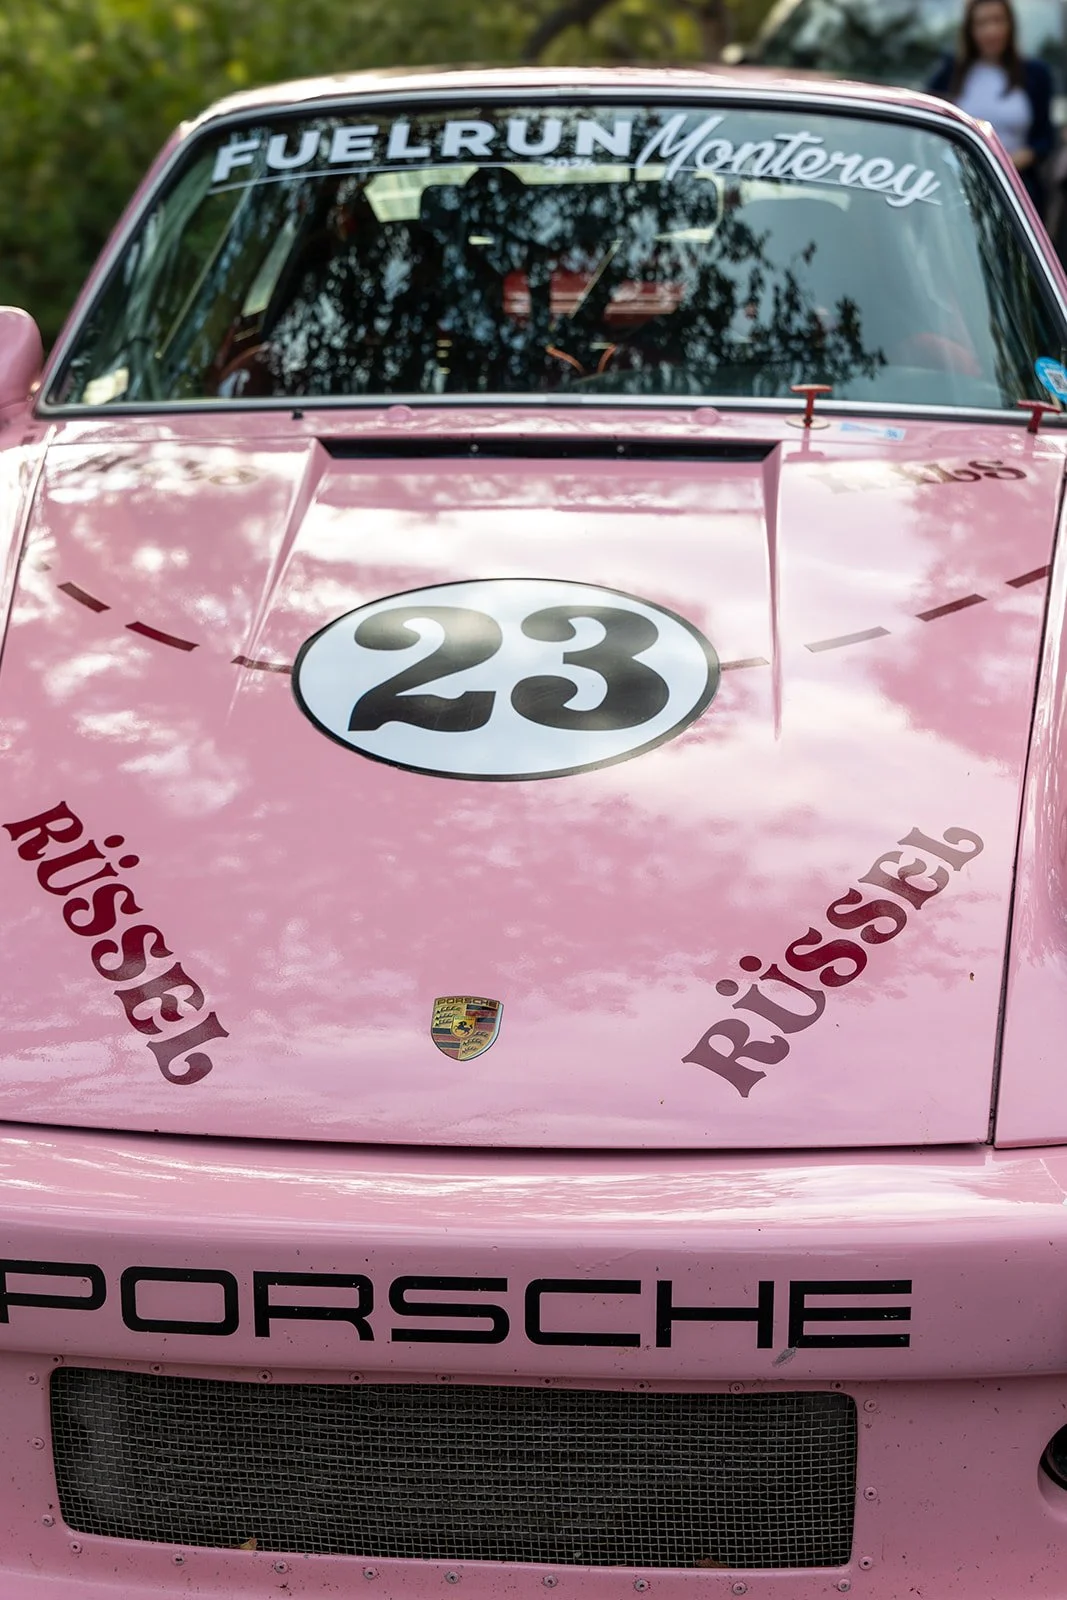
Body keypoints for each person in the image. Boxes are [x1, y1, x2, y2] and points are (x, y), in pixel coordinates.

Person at [927, 0, 1055, 212]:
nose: (991, 31)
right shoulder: (950, 72)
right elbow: (929, 122)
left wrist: (1005, 164)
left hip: (1015, 189)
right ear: (970, 30)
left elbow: (1044, 139)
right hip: (957, 186)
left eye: (997, 20)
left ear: (1010, 24)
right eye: (982, 23)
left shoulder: (1035, 74)